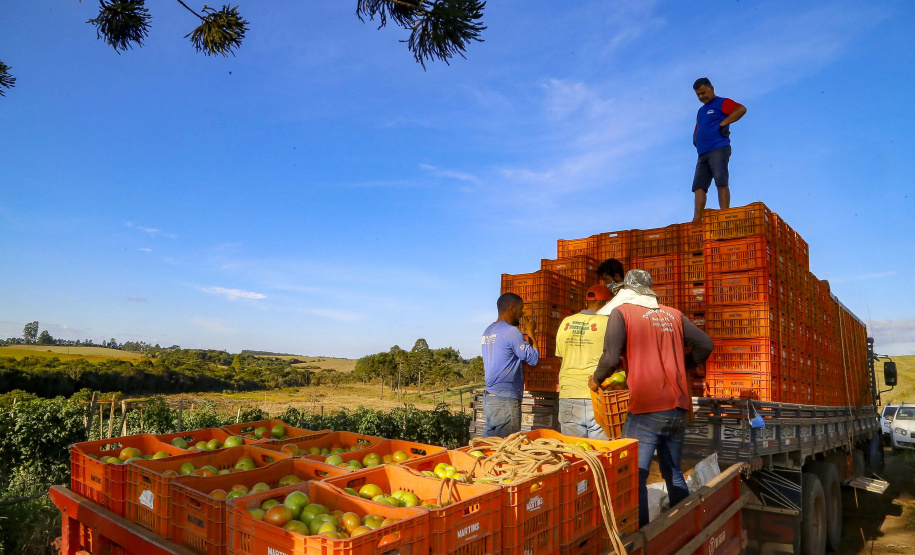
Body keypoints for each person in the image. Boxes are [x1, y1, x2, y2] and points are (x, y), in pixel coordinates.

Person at [589, 270, 713, 527]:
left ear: (627, 291)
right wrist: (681, 364)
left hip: (646, 409)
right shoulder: (674, 315)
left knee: (635, 476)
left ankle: (643, 536)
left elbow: (610, 357)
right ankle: (683, 528)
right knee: (673, 472)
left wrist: (596, 379)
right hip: (677, 408)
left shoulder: (622, 313)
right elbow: (705, 345)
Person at [555, 285, 613, 440]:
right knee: (600, 451)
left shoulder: (566, 322)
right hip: (597, 393)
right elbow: (613, 358)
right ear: (608, 303)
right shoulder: (608, 323)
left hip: (569, 394)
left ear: (586, 302)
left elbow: (561, 357)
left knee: (575, 450)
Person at [481, 292, 539, 438]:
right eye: (520, 309)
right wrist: (531, 333)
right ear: (511, 308)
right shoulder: (511, 331)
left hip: (490, 399)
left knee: (489, 446)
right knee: (507, 446)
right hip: (506, 401)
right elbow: (533, 359)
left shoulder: (488, 331)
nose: (522, 313)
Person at [691, 77, 747, 223]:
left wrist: (724, 123)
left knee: (720, 181)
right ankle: (696, 220)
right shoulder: (701, 111)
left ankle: (725, 215)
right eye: (698, 94)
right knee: (698, 186)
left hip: (718, 148)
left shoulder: (721, 102)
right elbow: (699, 126)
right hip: (702, 153)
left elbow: (741, 109)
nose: (701, 96)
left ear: (712, 89)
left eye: (703, 92)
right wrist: (696, 137)